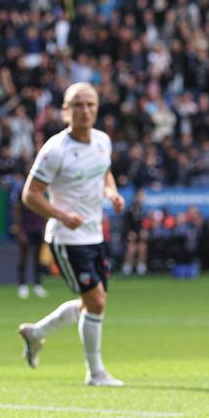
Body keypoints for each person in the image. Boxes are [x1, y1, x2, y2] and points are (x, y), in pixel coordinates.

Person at [17, 83, 126, 387]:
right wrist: (63, 215)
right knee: (97, 302)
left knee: (90, 304)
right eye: (77, 105)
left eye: (90, 104)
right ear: (66, 110)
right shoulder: (55, 150)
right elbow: (30, 194)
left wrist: (112, 193)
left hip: (94, 236)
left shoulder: (103, 141)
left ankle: (36, 333)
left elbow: (104, 171)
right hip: (66, 238)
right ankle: (96, 372)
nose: (85, 110)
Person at [10, 173, 48, 299]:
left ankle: (38, 285)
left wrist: (44, 228)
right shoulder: (22, 190)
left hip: (38, 227)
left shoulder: (42, 190)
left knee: (38, 257)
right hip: (25, 227)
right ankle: (22, 285)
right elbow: (16, 210)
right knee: (23, 256)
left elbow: (45, 210)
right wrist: (20, 230)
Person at [121, 188, 148, 276]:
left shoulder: (143, 209)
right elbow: (126, 222)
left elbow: (144, 223)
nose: (142, 198)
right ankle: (127, 267)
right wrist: (130, 232)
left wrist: (144, 231)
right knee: (131, 248)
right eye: (141, 196)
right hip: (130, 233)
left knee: (142, 247)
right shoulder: (130, 208)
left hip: (139, 233)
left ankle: (141, 267)